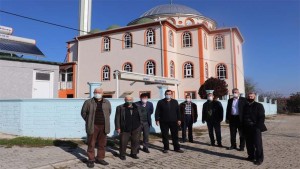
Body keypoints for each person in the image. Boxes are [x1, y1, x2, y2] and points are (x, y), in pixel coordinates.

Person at [81, 88, 111, 168]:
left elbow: (109, 112)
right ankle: (91, 159)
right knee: (91, 143)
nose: (97, 93)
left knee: (102, 144)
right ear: (93, 93)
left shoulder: (107, 102)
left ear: (102, 93)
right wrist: (88, 120)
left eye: (99, 92)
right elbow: (83, 113)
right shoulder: (88, 102)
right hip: (93, 125)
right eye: (96, 92)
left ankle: (100, 158)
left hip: (104, 126)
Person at [115, 95, 147, 160]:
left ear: (132, 100)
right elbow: (117, 118)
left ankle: (133, 153)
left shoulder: (137, 107)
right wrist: (118, 127)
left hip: (136, 127)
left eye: (130, 100)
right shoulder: (120, 107)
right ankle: (122, 154)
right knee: (123, 142)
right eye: (127, 100)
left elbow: (142, 116)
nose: (129, 101)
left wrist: (140, 125)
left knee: (135, 141)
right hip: (125, 128)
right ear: (124, 100)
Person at [243, 92, 267, 165]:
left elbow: (261, 117)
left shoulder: (259, 105)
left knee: (257, 144)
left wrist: (258, 127)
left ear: (254, 97)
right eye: (249, 96)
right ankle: (251, 156)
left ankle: (259, 158)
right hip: (247, 127)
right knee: (249, 143)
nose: (250, 98)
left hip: (256, 127)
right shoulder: (245, 106)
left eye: (251, 96)